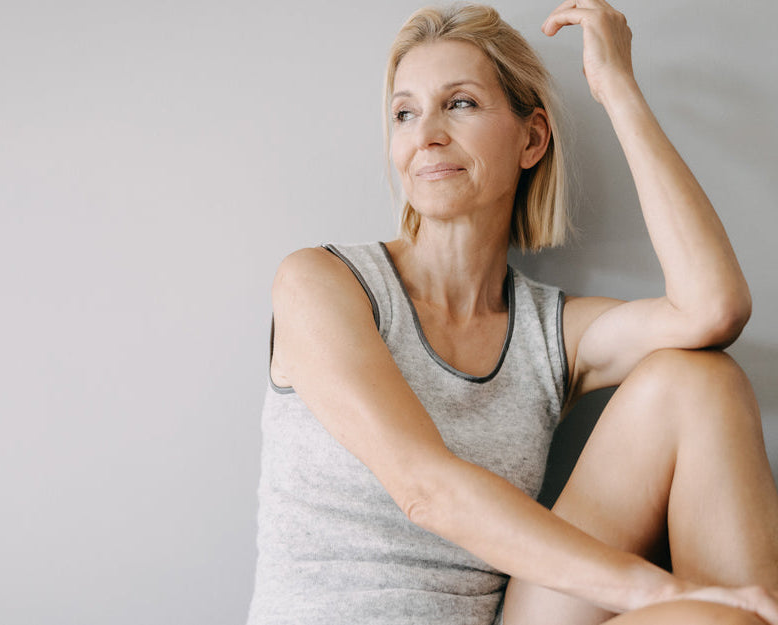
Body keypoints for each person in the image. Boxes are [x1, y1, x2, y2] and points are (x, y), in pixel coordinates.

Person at [246, 1, 778, 624]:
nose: (426, 135)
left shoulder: (548, 332)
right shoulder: (323, 283)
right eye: (405, 113)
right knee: (708, 617)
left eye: (461, 103)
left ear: (532, 138)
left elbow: (712, 308)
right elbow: (425, 491)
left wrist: (618, 89)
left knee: (702, 378)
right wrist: (659, 594)